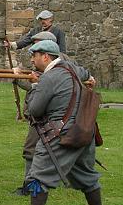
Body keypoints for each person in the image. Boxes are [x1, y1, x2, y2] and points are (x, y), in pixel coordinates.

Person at [12, 40, 106, 205]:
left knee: (37, 176)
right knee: (86, 176)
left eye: (35, 56)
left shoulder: (49, 78)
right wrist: (89, 77)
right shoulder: (71, 67)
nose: (32, 59)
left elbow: (34, 109)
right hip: (83, 133)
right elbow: (84, 72)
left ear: (45, 57)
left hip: (61, 135)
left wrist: (36, 84)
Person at [9, 31, 93, 195]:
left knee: (32, 148)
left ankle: (31, 185)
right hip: (59, 118)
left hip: (49, 119)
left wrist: (24, 80)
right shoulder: (62, 64)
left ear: (46, 51)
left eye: (36, 44)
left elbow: (41, 95)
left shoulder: (57, 68)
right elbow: (83, 73)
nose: (32, 52)